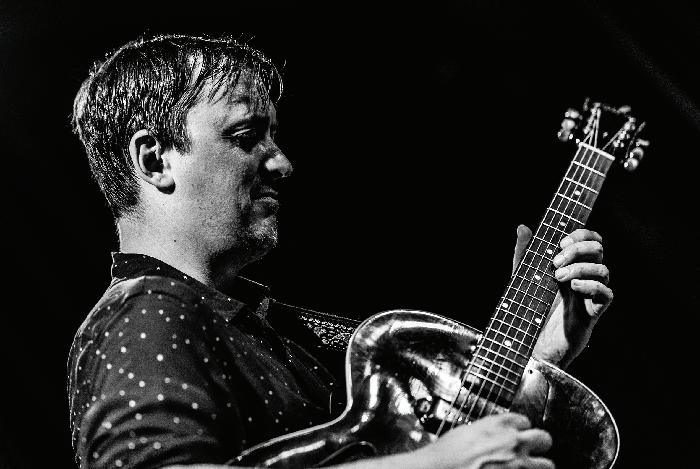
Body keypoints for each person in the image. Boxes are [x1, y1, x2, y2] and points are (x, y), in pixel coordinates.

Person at [68, 34, 613, 469]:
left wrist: (539, 353)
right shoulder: (145, 314)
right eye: (245, 136)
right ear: (155, 160)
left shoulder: (273, 327)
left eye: (274, 137)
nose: (282, 164)